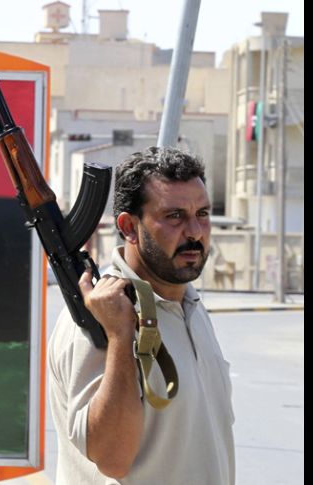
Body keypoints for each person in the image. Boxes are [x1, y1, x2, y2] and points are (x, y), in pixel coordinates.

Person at [48, 146, 235, 484]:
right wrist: (121, 337)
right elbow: (112, 458)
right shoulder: (97, 319)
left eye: (203, 214)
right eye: (174, 216)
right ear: (129, 227)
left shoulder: (189, 305)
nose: (195, 231)